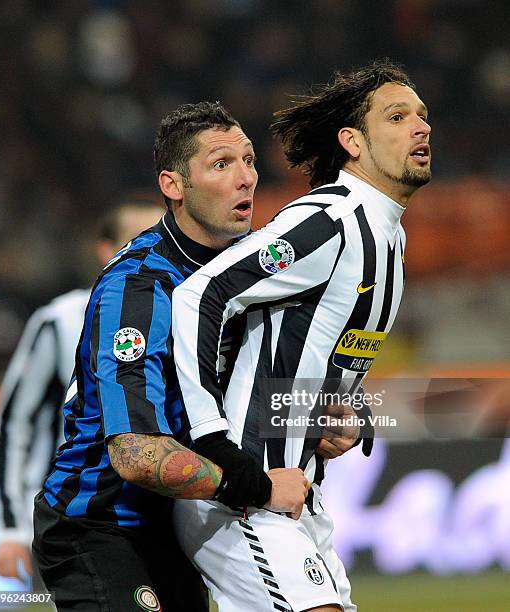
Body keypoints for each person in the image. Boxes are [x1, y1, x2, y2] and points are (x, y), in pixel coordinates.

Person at [171, 60, 432, 612]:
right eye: (397, 116)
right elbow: (200, 294)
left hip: (301, 499)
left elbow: (333, 354)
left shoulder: (391, 241)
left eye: (422, 116)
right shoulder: (328, 219)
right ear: (352, 142)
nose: (421, 127)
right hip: (243, 494)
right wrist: (214, 440)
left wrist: (348, 411)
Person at [32, 102, 309, 612]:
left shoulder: (250, 273)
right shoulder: (139, 289)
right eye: (222, 164)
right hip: (100, 522)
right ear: (173, 185)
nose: (246, 178)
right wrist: (256, 486)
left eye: (249, 161)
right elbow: (135, 454)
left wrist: (327, 418)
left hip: (179, 519)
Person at [0, 200, 164, 582]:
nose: (155, 249)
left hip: (159, 513)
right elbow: (14, 422)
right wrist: (9, 529)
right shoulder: (61, 320)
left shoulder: (183, 315)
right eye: (139, 239)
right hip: (72, 512)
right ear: (106, 250)